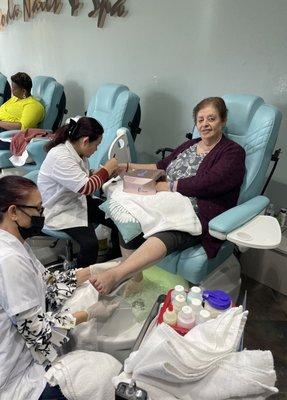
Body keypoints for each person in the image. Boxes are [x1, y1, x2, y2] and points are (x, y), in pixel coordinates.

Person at [89, 97, 246, 295]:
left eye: (212, 119)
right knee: (126, 210)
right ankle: (136, 277)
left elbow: (209, 183)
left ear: (223, 120)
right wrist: (125, 167)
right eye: (200, 120)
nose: (205, 124)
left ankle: (118, 273)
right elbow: (160, 166)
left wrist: (167, 186)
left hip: (194, 206)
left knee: (171, 227)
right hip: (164, 195)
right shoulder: (190, 144)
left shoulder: (233, 152)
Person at [0, 175, 119, 400]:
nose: (42, 214)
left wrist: (92, 271)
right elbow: (38, 334)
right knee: (107, 369)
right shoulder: (8, 260)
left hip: (27, 345)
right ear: (13, 212)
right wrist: (88, 313)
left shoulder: (16, 243)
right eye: (37, 209)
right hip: (15, 377)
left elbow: (47, 284)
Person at [38, 116, 121, 268]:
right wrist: (106, 169)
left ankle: (115, 259)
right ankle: (77, 278)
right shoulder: (60, 156)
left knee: (118, 217)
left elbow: (80, 176)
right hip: (59, 208)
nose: (96, 149)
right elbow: (86, 187)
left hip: (75, 200)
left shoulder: (77, 152)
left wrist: (100, 173)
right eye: (96, 145)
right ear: (85, 141)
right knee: (90, 245)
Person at [0, 72, 45, 149]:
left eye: (13, 88)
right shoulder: (15, 98)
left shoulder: (33, 105)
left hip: (10, 137)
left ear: (23, 91)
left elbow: (21, 128)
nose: (11, 90)